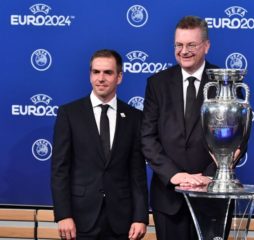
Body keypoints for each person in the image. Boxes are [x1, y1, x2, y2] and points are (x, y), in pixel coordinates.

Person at [141, 16, 243, 240]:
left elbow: (238, 140)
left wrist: (208, 177)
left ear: (206, 46)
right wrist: (176, 175)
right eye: (179, 45)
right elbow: (147, 138)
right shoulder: (157, 84)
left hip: (214, 196)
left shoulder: (226, 82)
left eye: (191, 45)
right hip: (169, 199)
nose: (184, 51)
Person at [51, 49, 148, 240]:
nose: (101, 78)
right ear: (90, 75)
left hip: (122, 221)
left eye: (108, 72)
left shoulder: (134, 118)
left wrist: (140, 217)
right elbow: (59, 170)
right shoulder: (69, 114)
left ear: (119, 77)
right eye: (96, 72)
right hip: (79, 219)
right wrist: (63, 215)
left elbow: (137, 173)